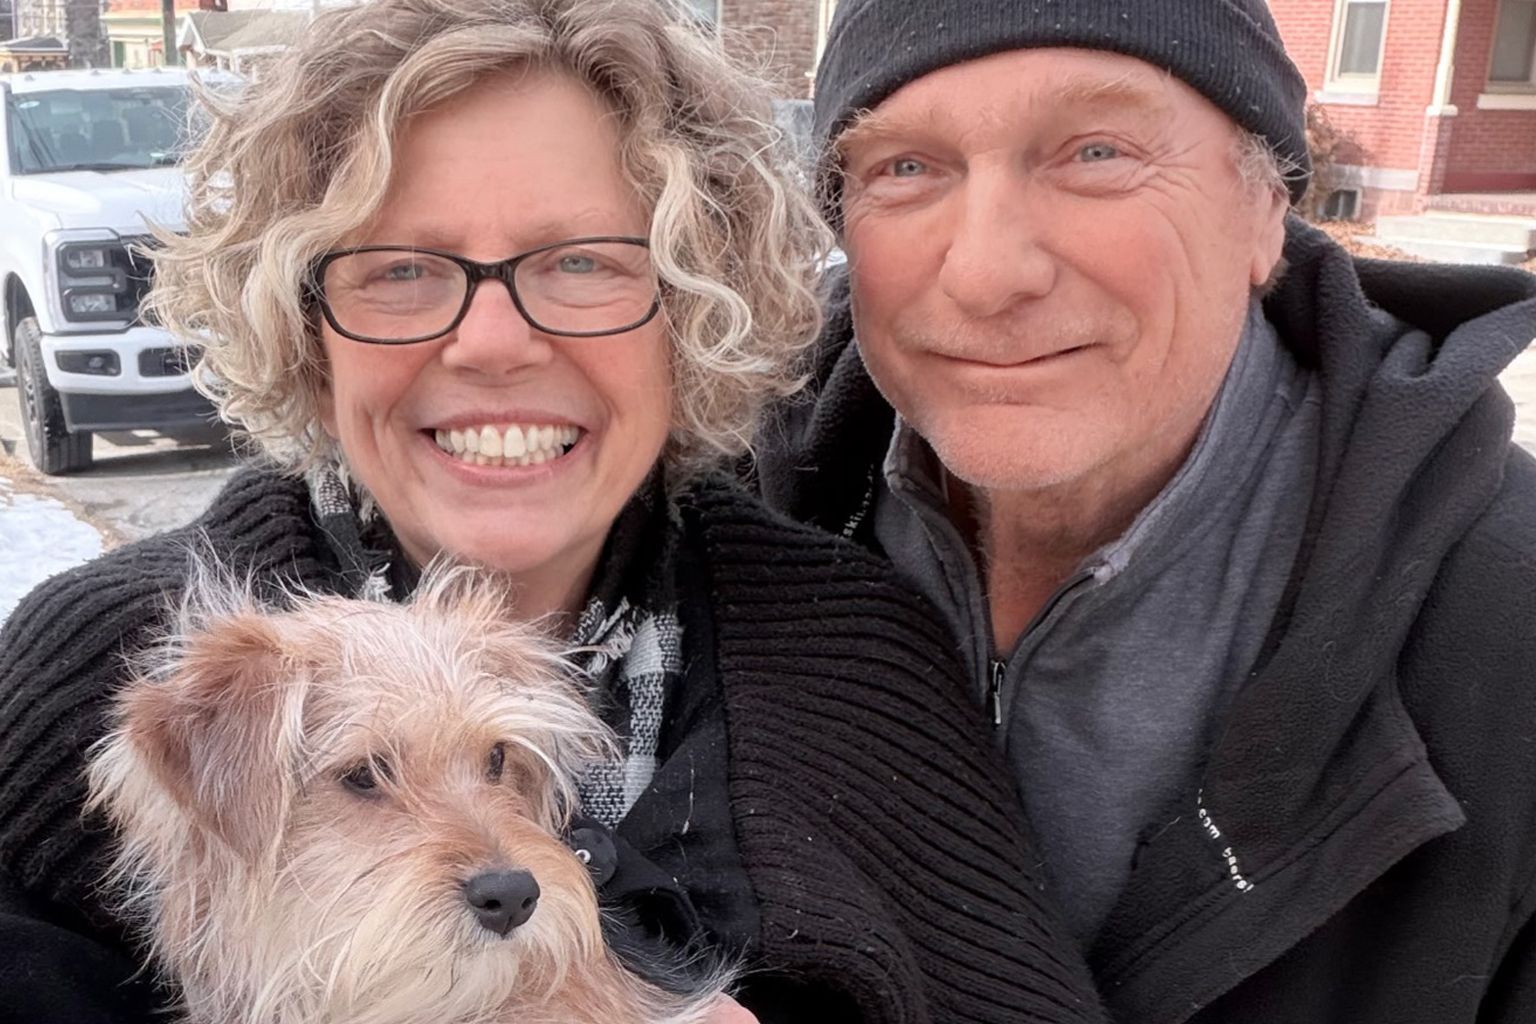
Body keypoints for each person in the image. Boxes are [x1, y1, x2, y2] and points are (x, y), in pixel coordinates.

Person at [0, 1, 1107, 1022]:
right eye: (401, 270)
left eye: (582, 262)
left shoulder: (861, 661)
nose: (492, 342)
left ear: (692, 306)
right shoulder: (91, 665)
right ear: (304, 324)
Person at [754, 1, 1536, 1022]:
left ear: (1266, 210)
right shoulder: (734, 530)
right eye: (904, 167)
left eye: (1094, 151)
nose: (987, 272)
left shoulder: (1504, 632)